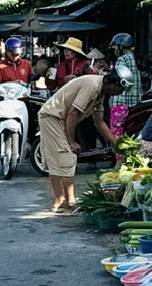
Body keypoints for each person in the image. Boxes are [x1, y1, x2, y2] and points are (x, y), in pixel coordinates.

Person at [37, 67, 128, 213]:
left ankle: (60, 200)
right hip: (52, 117)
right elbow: (73, 113)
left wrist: (116, 143)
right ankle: (68, 203)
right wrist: (72, 141)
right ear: (114, 84)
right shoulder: (92, 85)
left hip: (59, 118)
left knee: (57, 160)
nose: (121, 93)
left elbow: (100, 124)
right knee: (67, 157)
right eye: (121, 89)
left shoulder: (100, 93)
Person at [0, 37, 33, 175]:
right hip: (4, 102)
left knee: (34, 126)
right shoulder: (0, 66)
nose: (15, 56)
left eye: (18, 53)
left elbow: (31, 80)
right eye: (13, 53)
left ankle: (38, 156)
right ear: (7, 52)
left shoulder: (26, 64)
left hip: (22, 102)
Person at [108, 33, 141, 131]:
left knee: (116, 133)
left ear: (121, 46)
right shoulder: (135, 58)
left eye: (115, 47)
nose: (114, 50)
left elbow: (116, 79)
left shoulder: (122, 59)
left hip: (120, 102)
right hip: (133, 102)